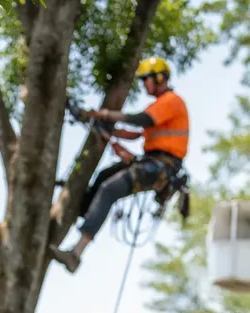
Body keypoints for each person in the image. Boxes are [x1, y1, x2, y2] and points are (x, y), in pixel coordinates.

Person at [51, 56, 190, 273]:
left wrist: (107, 114)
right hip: (151, 161)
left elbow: (140, 120)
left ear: (159, 77)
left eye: (146, 79)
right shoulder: (159, 105)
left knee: (110, 188)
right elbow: (133, 134)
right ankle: (81, 215)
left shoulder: (172, 101)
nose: (144, 84)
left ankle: (76, 254)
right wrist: (102, 126)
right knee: (103, 177)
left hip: (164, 166)